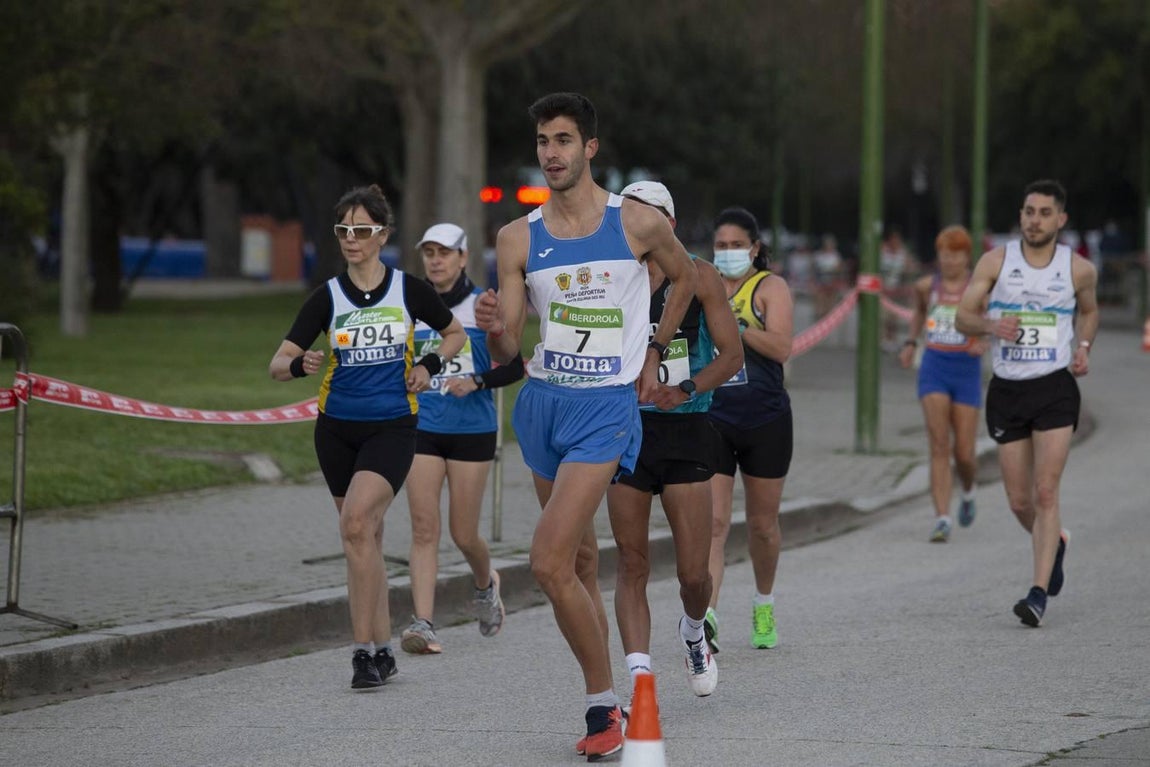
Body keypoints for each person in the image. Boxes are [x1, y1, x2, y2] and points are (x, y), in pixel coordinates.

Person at [473, 93, 698, 761]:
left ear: (590, 148)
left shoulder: (637, 222)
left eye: (564, 140)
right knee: (575, 559)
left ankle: (604, 705)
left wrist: (653, 351)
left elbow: (687, 279)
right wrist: (493, 331)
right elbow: (511, 348)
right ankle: (617, 697)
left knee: (544, 559)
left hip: (605, 408)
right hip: (542, 405)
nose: (552, 153)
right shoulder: (518, 237)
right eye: (543, 140)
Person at [268, 185, 466, 689]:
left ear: (382, 235)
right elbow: (276, 364)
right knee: (366, 539)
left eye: (361, 231)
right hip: (335, 431)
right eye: (343, 231)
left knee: (355, 525)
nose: (351, 240)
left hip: (392, 427)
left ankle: (360, 654)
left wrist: (427, 365)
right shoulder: (327, 297)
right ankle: (381, 648)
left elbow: (455, 333)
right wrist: (299, 362)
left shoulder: (408, 290)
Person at [605, 181, 743, 701]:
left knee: (692, 575)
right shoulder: (616, 278)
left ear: (670, 225)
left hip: (686, 429)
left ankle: (692, 632)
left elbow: (732, 356)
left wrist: (684, 388)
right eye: (630, 216)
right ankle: (640, 677)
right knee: (632, 560)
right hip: (627, 430)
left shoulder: (701, 276)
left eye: (649, 217)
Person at [955, 179, 1098, 628]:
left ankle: (1037, 594)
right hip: (1008, 389)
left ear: (1061, 220)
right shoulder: (996, 262)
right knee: (1019, 501)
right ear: (1020, 216)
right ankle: (1056, 541)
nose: (1034, 220)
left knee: (1044, 490)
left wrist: (1084, 346)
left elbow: (1089, 311)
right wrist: (989, 326)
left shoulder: (1077, 271)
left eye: (1043, 213)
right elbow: (962, 317)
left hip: (1054, 388)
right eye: (1028, 211)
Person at [401, 223, 525, 655]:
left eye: (445, 252)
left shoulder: (482, 306)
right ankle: (423, 622)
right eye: (429, 252)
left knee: (463, 533)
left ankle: (485, 582)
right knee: (423, 527)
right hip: (423, 430)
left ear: (463, 258)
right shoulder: (410, 304)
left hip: (472, 432)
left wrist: (476, 380)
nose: (435, 260)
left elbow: (514, 367)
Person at [705, 207, 794, 653]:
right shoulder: (705, 285)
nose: (728, 253)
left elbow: (781, 346)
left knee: (762, 525)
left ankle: (763, 603)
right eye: (721, 246)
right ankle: (708, 617)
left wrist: (737, 325)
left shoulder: (769, 287)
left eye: (736, 245)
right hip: (716, 417)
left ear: (755, 249)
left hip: (765, 419)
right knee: (715, 523)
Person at [898, 225, 988, 543]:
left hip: (966, 370)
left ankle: (967, 488)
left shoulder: (979, 289)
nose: (949, 261)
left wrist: (983, 341)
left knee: (964, 452)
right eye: (944, 255)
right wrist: (910, 343)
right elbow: (919, 314)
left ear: (967, 256)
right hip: (934, 366)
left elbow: (992, 320)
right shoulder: (926, 286)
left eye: (956, 255)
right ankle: (942, 517)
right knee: (938, 444)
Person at [881, 227, 918, 350]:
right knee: (886, 317)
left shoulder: (903, 253)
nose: (896, 242)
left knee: (896, 316)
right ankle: (886, 339)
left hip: (899, 290)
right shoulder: (882, 251)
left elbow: (912, 268)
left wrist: (909, 266)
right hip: (885, 290)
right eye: (894, 239)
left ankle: (896, 340)